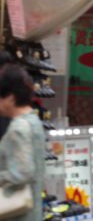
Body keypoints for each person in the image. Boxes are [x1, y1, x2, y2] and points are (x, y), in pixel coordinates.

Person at [0, 66, 45, 221]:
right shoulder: (34, 122)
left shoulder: (18, 128)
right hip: (32, 210)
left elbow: (22, 172)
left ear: (11, 98)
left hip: (17, 214)